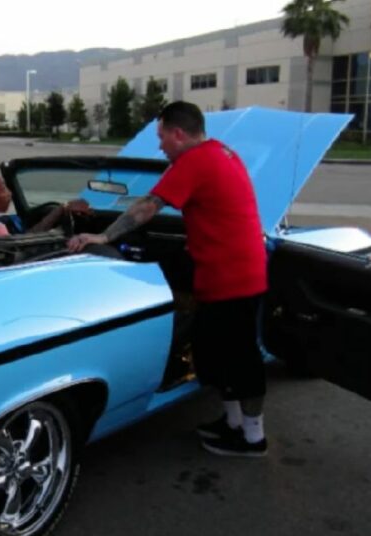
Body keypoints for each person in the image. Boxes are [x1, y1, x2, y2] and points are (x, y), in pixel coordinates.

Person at [68, 101, 269, 457]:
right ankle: (234, 423)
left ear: (178, 133)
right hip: (234, 271)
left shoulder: (194, 161)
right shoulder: (222, 152)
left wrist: (104, 238)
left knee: (239, 360)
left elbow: (148, 206)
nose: (160, 146)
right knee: (217, 355)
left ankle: (253, 438)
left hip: (231, 279)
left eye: (161, 137)